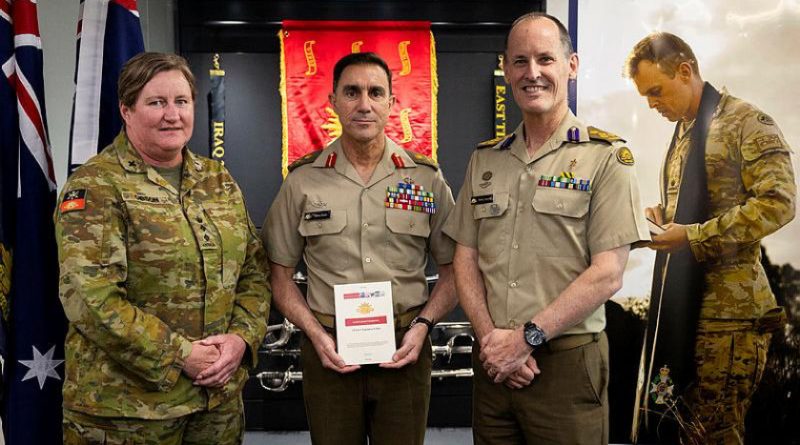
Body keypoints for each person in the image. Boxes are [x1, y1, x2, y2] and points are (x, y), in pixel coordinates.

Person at [443, 13, 649, 444]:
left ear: (570, 65)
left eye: (545, 59)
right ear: (505, 68)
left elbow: (608, 272)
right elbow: (465, 257)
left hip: (567, 369)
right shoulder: (486, 159)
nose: (531, 73)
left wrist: (526, 339)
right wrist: (494, 343)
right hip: (496, 366)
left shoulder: (606, 158)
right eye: (519, 61)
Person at [55, 52, 270, 444]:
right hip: (128, 413)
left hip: (215, 405)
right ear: (126, 109)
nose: (173, 114)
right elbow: (91, 300)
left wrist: (241, 339)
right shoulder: (97, 186)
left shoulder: (217, 180)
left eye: (181, 101)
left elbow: (253, 272)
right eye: (157, 103)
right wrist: (180, 355)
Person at [263, 52, 457, 445]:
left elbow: (455, 271)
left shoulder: (425, 179)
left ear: (392, 102)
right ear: (333, 100)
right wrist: (316, 335)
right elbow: (278, 277)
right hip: (328, 352)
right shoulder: (303, 182)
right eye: (352, 92)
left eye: (375, 92)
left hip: (406, 350)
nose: (364, 104)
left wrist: (423, 327)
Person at [625, 32, 796, 444]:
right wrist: (662, 218)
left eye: (656, 91)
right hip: (684, 310)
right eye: (645, 96)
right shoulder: (684, 132)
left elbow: (779, 202)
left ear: (685, 72)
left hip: (729, 318)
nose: (651, 104)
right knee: (680, 432)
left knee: (713, 435)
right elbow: (699, 206)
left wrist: (694, 237)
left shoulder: (746, 122)